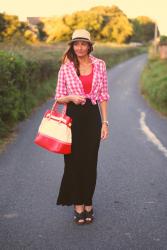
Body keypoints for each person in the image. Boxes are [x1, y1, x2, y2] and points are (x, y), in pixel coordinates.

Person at [55, 29, 110, 225]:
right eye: (76, 44)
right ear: (72, 46)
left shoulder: (100, 65)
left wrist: (104, 122)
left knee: (90, 162)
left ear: (89, 46)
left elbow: (103, 95)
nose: (79, 47)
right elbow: (58, 97)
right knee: (73, 162)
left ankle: (88, 202)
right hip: (73, 117)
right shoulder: (66, 68)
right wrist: (71, 97)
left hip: (92, 117)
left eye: (83, 44)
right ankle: (78, 205)